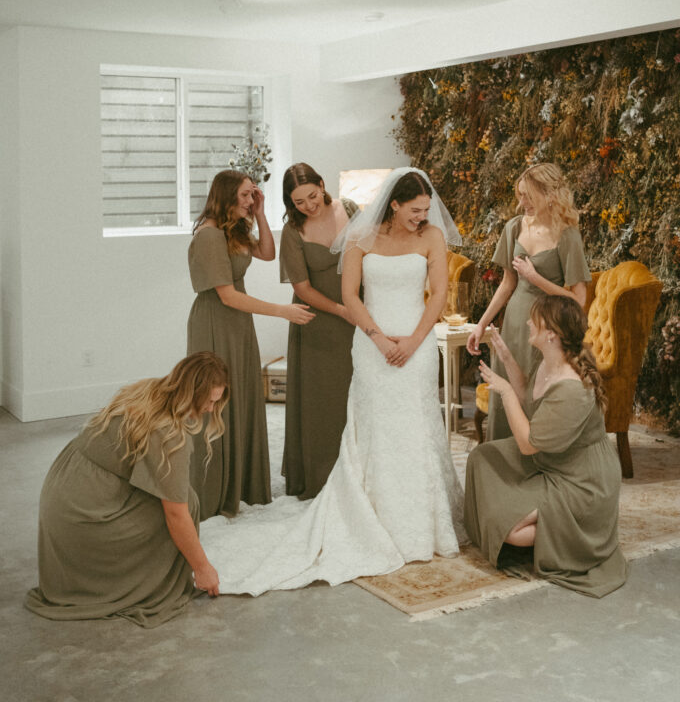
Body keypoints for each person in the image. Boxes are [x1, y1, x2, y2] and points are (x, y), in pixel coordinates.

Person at [198, 167, 465, 595]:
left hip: (414, 347)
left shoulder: (431, 237)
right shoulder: (359, 238)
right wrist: (377, 337)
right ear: (393, 205)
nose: (421, 217)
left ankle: (425, 522)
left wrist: (415, 341)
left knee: (417, 429)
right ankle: (372, 515)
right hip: (371, 342)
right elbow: (350, 295)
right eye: (414, 210)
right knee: (373, 427)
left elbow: (438, 294)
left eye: (425, 211)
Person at [25, 353, 230, 627]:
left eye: (217, 401)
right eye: (209, 400)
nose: (210, 408)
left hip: (63, 490)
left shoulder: (149, 390)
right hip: (82, 515)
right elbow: (176, 515)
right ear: (192, 393)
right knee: (184, 507)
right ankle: (134, 582)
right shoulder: (170, 435)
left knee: (181, 497)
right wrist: (203, 569)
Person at [465, 294, 626, 596]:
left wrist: (505, 392)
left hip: (582, 479)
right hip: (553, 458)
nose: (527, 322)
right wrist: (506, 357)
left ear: (551, 333)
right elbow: (530, 395)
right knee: (483, 456)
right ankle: (535, 523)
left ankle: (568, 538)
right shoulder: (550, 360)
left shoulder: (572, 388)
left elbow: (527, 445)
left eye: (534, 319)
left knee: (511, 529)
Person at [187, 169, 313, 520]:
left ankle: (242, 485)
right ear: (226, 196)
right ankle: (214, 490)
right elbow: (226, 296)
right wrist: (282, 311)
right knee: (216, 403)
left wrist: (258, 212)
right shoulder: (209, 236)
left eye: (251, 194)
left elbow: (269, 254)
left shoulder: (234, 230)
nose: (249, 199)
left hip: (239, 323)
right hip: (215, 322)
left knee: (242, 396)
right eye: (244, 195)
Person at [466, 162, 591, 440]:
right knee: (507, 389)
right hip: (514, 324)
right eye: (520, 194)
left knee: (538, 394)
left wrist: (536, 279)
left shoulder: (567, 235)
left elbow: (578, 300)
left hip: (548, 329)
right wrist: (481, 326)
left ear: (550, 195)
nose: (522, 203)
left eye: (528, 196)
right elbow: (507, 284)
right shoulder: (513, 228)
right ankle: (506, 461)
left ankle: (536, 458)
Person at [280, 162, 359, 498]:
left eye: (312, 196)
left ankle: (358, 475)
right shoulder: (292, 231)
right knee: (323, 402)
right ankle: (323, 479)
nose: (309, 205)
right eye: (299, 202)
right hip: (318, 323)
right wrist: (342, 310)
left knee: (357, 394)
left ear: (323, 185)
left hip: (358, 314)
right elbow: (302, 287)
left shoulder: (351, 210)